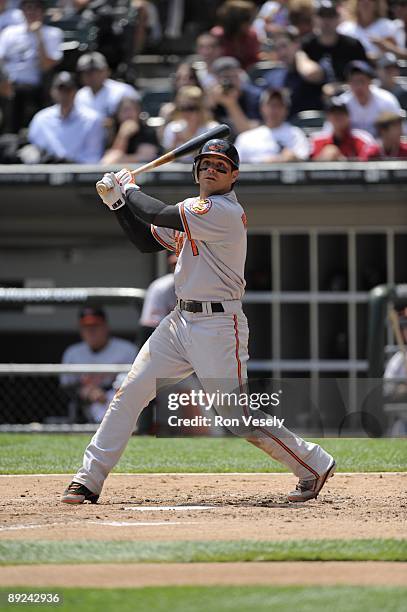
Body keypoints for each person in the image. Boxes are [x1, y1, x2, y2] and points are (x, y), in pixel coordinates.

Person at [62, 137, 336, 505]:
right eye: (206, 163)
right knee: (129, 393)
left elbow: (157, 213)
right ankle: (88, 479)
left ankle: (314, 463)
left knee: (235, 417)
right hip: (179, 321)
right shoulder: (194, 208)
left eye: (221, 165)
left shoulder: (221, 210)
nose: (211, 168)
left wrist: (128, 188)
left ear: (233, 176)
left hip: (218, 326)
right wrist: (117, 204)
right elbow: (147, 241)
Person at [61, 306, 136, 423]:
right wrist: (86, 392)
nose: (91, 331)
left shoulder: (126, 350)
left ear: (106, 327)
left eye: (95, 326)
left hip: (117, 398)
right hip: (86, 404)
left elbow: (136, 382)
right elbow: (67, 387)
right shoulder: (73, 353)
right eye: (86, 327)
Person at [0, 0, 63, 132]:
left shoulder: (52, 33)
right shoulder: (9, 32)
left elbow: (46, 66)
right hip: (7, 84)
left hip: (33, 88)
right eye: (28, 8)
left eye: (36, 8)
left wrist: (38, 36)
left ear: (42, 11)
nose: (32, 12)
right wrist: (3, 81)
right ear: (22, 11)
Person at [27, 71, 105, 163]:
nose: (64, 94)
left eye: (68, 89)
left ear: (76, 92)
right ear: (52, 91)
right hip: (46, 172)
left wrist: (68, 165)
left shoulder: (93, 119)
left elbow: (93, 157)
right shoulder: (40, 118)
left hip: (80, 173)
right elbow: (33, 148)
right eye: (60, 89)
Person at [263, 26, 325, 117]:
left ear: (296, 44)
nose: (282, 53)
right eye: (277, 49)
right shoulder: (273, 76)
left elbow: (311, 74)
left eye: (284, 46)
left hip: (313, 127)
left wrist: (299, 54)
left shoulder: (313, 65)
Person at [302, 0, 368, 86]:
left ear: (338, 18)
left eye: (330, 16)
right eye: (322, 16)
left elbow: (364, 76)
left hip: (348, 94)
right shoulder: (307, 44)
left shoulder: (353, 45)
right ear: (315, 19)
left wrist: (340, 87)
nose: (326, 21)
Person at [235, 87, 309, 162]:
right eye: (271, 105)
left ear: (286, 110)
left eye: (279, 105)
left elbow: (304, 159)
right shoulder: (245, 138)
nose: (274, 110)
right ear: (262, 108)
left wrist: (292, 158)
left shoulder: (296, 134)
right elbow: (234, 165)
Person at [337, 60, 402, 136]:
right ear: (348, 83)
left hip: (380, 146)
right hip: (350, 146)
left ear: (370, 81)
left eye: (362, 81)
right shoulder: (341, 103)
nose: (358, 86)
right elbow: (329, 133)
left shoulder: (387, 100)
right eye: (354, 82)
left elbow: (399, 131)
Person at [206, 55, 262, 137]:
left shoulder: (254, 96)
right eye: (225, 77)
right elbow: (203, 130)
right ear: (216, 79)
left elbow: (249, 133)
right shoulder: (211, 96)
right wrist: (210, 104)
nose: (230, 82)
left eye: (234, 76)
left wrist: (231, 104)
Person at [75, 52, 141, 120]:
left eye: (97, 71)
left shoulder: (124, 91)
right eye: (87, 72)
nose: (93, 76)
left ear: (107, 71)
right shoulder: (79, 95)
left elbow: (132, 122)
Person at [310, 97, 379, 160]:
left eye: (341, 113)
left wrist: (342, 161)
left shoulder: (361, 139)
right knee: (330, 151)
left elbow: (369, 161)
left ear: (348, 116)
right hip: (325, 173)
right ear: (328, 117)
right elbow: (309, 165)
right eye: (334, 114)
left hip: (354, 173)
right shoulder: (317, 140)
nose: (338, 117)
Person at [161, 85, 219, 159]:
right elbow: (166, 161)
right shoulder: (172, 128)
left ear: (201, 108)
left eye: (191, 108)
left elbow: (212, 159)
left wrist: (187, 143)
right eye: (183, 108)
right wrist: (173, 146)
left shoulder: (213, 129)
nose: (186, 113)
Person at [101, 96, 159, 165]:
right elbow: (108, 161)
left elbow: (146, 158)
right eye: (125, 110)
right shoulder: (113, 131)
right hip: (119, 172)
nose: (128, 114)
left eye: (132, 110)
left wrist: (120, 160)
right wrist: (123, 136)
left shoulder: (147, 131)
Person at [337, 0, 403, 58]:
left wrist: (387, 46)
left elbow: (400, 56)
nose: (366, 1)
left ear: (377, 4)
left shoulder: (388, 26)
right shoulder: (344, 29)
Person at [211, 0, 260, 69]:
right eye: (248, 21)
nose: (250, 24)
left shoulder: (252, 35)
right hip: (222, 74)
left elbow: (254, 60)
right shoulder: (217, 35)